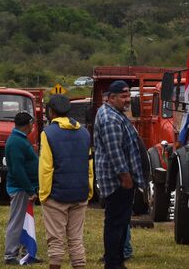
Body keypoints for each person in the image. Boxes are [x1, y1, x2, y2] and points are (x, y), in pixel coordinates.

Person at [94, 80, 145, 269]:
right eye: (123, 97)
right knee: (116, 223)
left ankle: (117, 261)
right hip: (117, 182)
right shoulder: (110, 118)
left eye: (128, 96)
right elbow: (114, 151)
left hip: (120, 181)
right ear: (111, 98)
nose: (127, 100)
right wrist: (126, 178)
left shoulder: (116, 114)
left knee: (121, 222)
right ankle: (113, 263)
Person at [39, 95, 93, 269]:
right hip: (80, 193)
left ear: (51, 112)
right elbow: (89, 164)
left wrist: (44, 194)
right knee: (76, 240)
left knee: (55, 241)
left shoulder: (48, 133)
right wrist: (89, 190)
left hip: (56, 195)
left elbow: (46, 168)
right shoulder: (85, 132)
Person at [4, 111, 39, 265]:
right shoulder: (16, 142)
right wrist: (30, 190)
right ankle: (10, 255)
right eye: (32, 123)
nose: (33, 126)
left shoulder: (20, 139)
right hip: (20, 189)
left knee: (26, 221)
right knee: (17, 221)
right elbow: (17, 170)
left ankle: (27, 252)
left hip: (25, 188)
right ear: (28, 124)